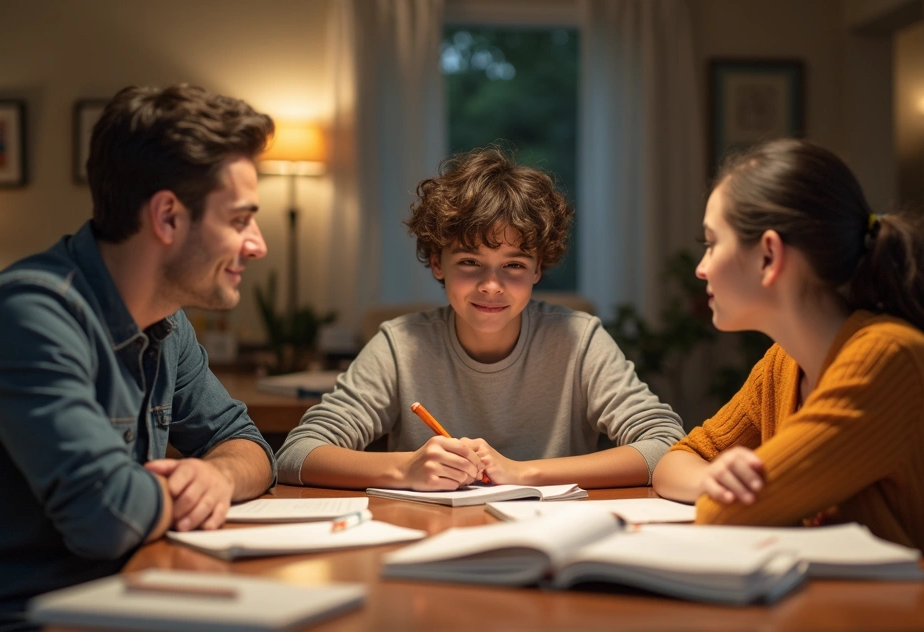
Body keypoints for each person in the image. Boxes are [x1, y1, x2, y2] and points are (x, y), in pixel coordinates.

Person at [0, 84, 278, 630]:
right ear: (167, 217)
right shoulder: (24, 318)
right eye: (238, 220)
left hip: (111, 605)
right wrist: (185, 487)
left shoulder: (165, 320)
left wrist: (219, 477)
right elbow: (107, 518)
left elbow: (247, 444)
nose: (257, 245)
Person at [652, 138, 924, 581]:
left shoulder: (887, 359)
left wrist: (722, 493)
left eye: (712, 243)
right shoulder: (782, 364)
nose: (701, 267)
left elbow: (725, 513)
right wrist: (713, 479)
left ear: (769, 255)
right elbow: (676, 460)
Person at [275, 148, 684, 490]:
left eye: (514, 265)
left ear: (538, 268)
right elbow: (297, 453)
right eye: (470, 262)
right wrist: (404, 469)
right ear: (438, 262)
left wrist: (525, 472)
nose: (491, 286)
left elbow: (666, 445)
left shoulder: (579, 340)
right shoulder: (400, 345)